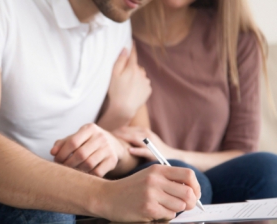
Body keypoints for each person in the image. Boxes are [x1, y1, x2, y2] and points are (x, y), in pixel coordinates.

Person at [0, 0, 202, 223]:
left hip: (75, 201)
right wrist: (104, 196)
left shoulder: (116, 17)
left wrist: (114, 145)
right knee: (48, 212)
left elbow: (138, 144)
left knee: (181, 188)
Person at [111, 0, 277, 205]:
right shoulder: (113, 33)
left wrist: (171, 154)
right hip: (139, 176)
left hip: (212, 181)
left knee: (270, 170)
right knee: (186, 186)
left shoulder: (236, 38)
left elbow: (244, 152)